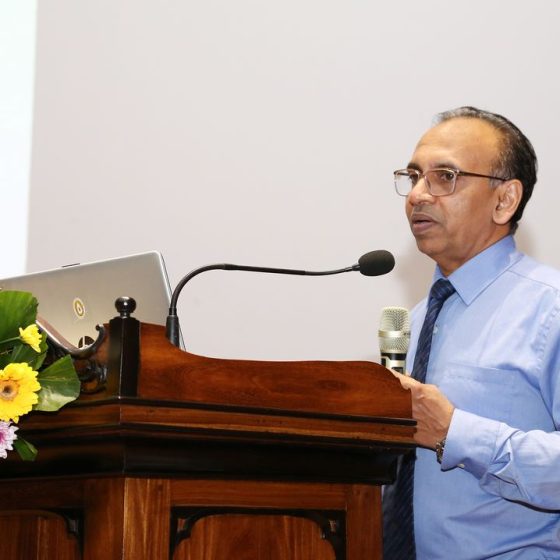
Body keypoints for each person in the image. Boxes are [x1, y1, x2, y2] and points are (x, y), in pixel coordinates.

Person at [387, 106, 560, 559]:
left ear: (505, 200)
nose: (417, 195)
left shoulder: (550, 309)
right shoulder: (417, 320)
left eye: (444, 177)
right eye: (413, 176)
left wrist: (455, 432)